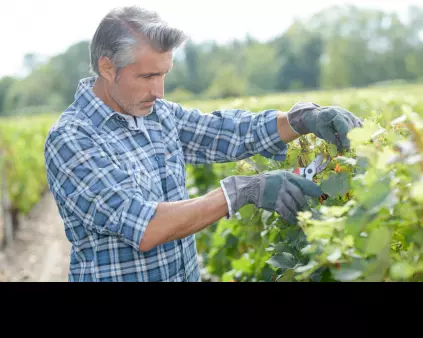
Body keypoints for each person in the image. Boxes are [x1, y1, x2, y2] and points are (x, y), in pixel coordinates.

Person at [43, 5, 363, 282]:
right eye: (146, 77)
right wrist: (241, 191)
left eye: (163, 74)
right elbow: (145, 227)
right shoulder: (72, 138)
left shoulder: (159, 114)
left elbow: (228, 132)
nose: (159, 91)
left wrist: (299, 120)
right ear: (107, 67)